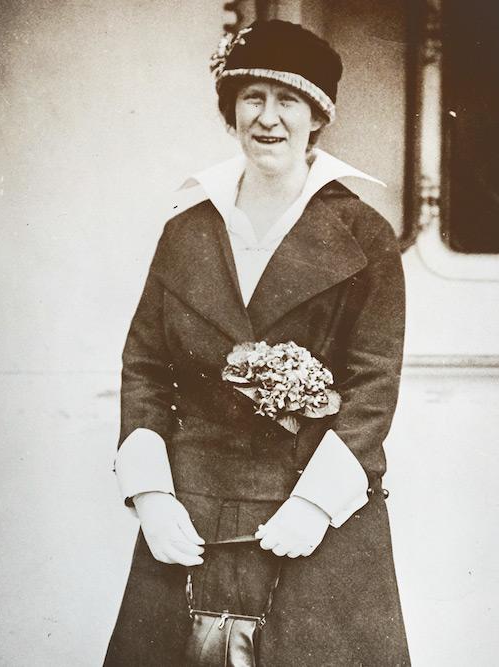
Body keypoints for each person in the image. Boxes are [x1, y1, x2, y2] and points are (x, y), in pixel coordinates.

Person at [104, 19, 410, 666]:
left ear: (317, 117)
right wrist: (153, 497)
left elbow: (372, 388)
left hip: (312, 517)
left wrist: (315, 505)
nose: (267, 118)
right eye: (251, 97)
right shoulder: (185, 231)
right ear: (230, 110)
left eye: (288, 100)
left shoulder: (365, 236)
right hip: (192, 511)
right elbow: (144, 368)